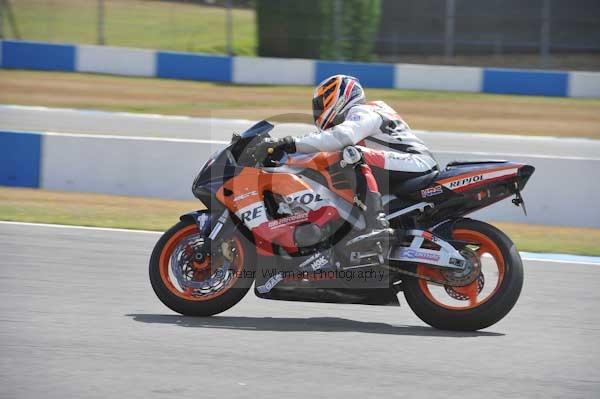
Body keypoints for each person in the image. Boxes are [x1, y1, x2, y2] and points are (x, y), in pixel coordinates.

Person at [256, 74, 438, 243]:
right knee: (335, 157)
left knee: (351, 154)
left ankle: (375, 224)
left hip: (416, 162)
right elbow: (319, 148)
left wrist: (290, 143)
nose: (318, 112)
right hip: (399, 166)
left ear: (340, 96)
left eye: (321, 105)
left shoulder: (365, 110)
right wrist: (279, 153)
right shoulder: (354, 119)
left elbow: (343, 137)